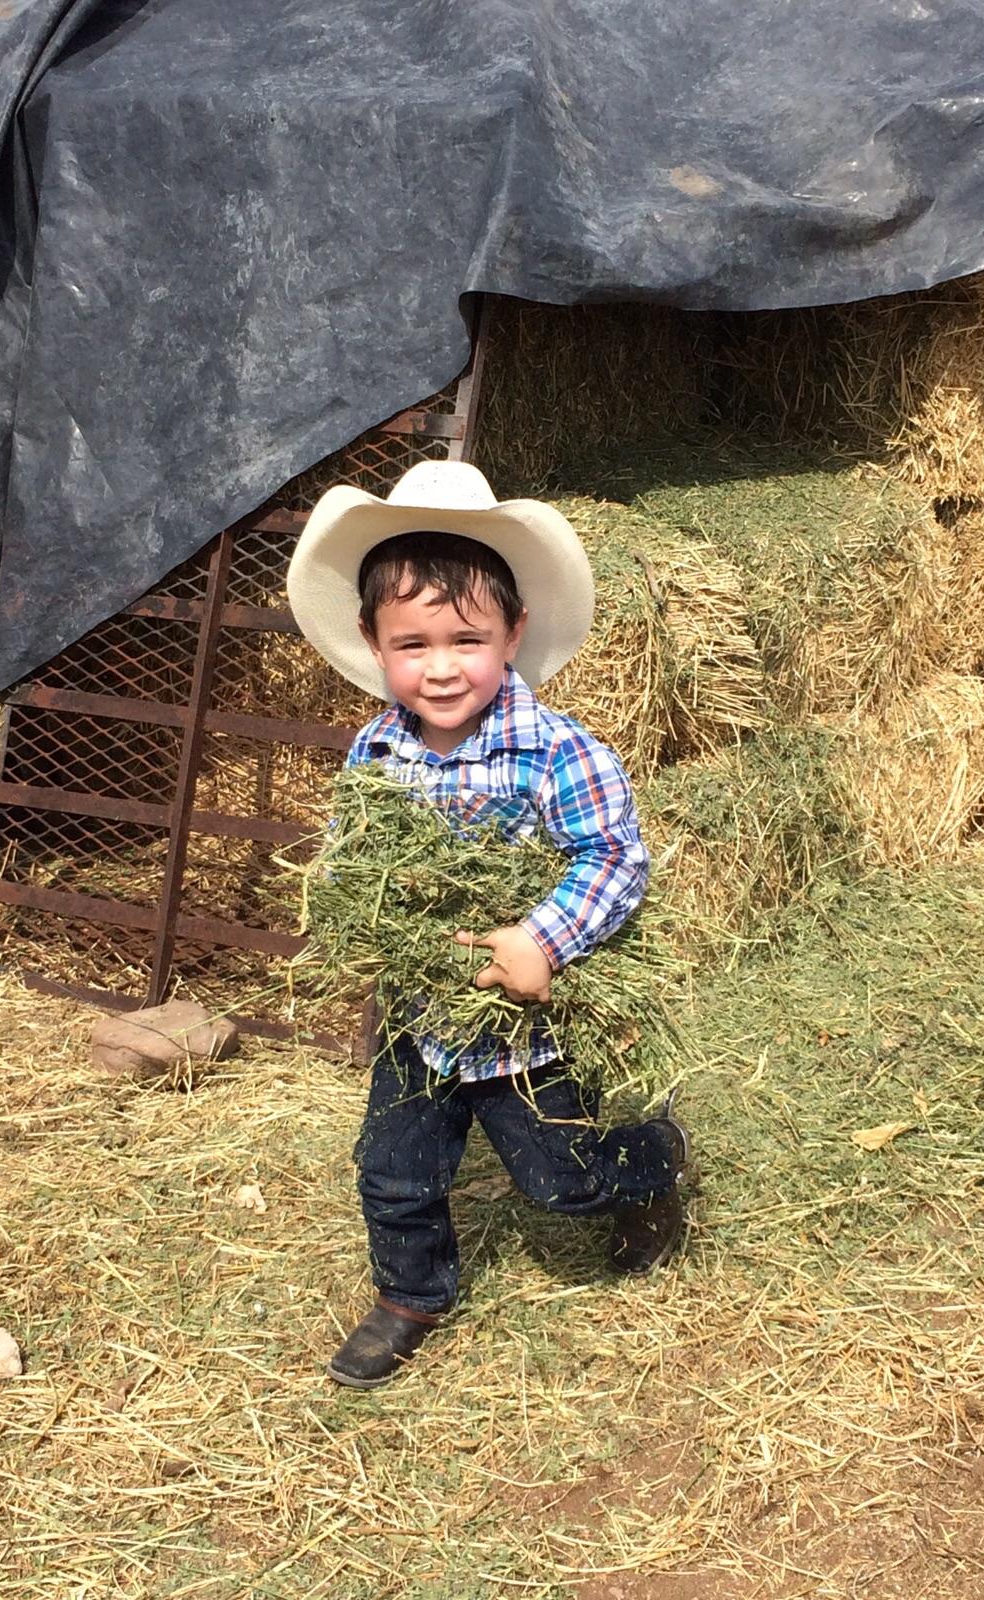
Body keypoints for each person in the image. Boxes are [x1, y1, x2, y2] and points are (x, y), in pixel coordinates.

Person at [286, 459, 689, 1390]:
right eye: (412, 642)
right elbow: (357, 856)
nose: (439, 666)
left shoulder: (558, 752)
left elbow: (615, 859)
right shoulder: (375, 746)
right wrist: (355, 912)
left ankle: (650, 1162)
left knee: (563, 1180)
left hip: (524, 1031)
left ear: (513, 633)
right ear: (372, 642)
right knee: (392, 1172)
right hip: (421, 1020)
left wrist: (540, 938)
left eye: (466, 639)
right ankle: (410, 1295)